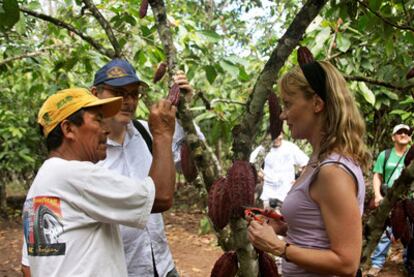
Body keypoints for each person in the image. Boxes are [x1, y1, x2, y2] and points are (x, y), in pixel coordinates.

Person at [21, 87, 177, 276]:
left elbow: (29, 267)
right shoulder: (76, 175)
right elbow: (160, 197)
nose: (106, 129)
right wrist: (162, 134)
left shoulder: (40, 186)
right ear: (68, 129)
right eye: (97, 120)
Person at [247, 61, 370, 276]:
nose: (282, 115)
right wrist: (284, 225)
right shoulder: (318, 160)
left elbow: (347, 263)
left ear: (316, 104)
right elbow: (318, 230)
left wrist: (277, 247)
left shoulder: (333, 171)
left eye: (288, 104)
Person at [90, 58, 195, 277]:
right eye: (118, 92)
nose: (128, 101)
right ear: (94, 94)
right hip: (121, 270)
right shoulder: (88, 154)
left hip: (163, 265)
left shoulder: (149, 132)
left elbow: (193, 155)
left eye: (133, 94)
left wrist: (185, 108)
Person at [367, 124, 412, 277]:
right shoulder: (385, 155)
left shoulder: (412, 156)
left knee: (409, 231)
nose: (404, 134)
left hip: (409, 199)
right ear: (393, 137)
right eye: (400, 132)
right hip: (390, 198)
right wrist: (378, 195)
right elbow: (377, 176)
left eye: (407, 132)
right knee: (386, 230)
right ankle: (377, 263)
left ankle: (408, 262)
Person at [254, 133, 308, 210]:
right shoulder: (264, 148)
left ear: (282, 134)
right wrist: (259, 173)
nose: (278, 138)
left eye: (279, 134)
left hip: (287, 194)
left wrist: (299, 181)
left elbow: (307, 164)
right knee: (269, 219)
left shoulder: (290, 147)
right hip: (268, 195)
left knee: (285, 220)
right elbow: (253, 164)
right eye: (274, 135)